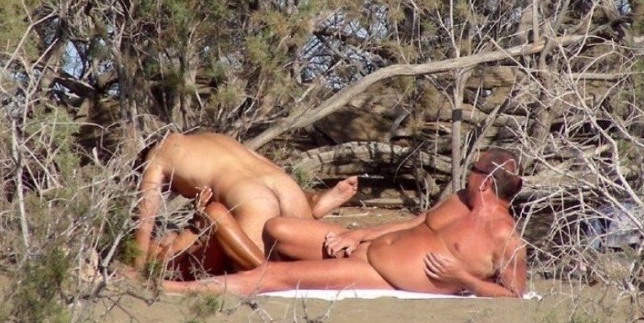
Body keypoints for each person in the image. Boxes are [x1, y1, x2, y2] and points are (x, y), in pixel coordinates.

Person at [163, 148, 526, 297]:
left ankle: (175, 290)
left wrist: (461, 279)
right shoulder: (461, 200)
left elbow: (514, 297)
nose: (468, 174)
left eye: (474, 170)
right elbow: (421, 222)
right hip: (368, 247)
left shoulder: (505, 240)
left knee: (278, 276)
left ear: (488, 182)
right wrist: (362, 232)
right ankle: (223, 265)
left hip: (382, 274)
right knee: (277, 229)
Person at [130, 131, 358, 275]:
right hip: (285, 185)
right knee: (326, 255)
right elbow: (268, 167)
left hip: (250, 197)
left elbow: (145, 221)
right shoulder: (213, 137)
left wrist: (138, 266)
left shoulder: (155, 157)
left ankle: (313, 208)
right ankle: (313, 202)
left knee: (254, 272)